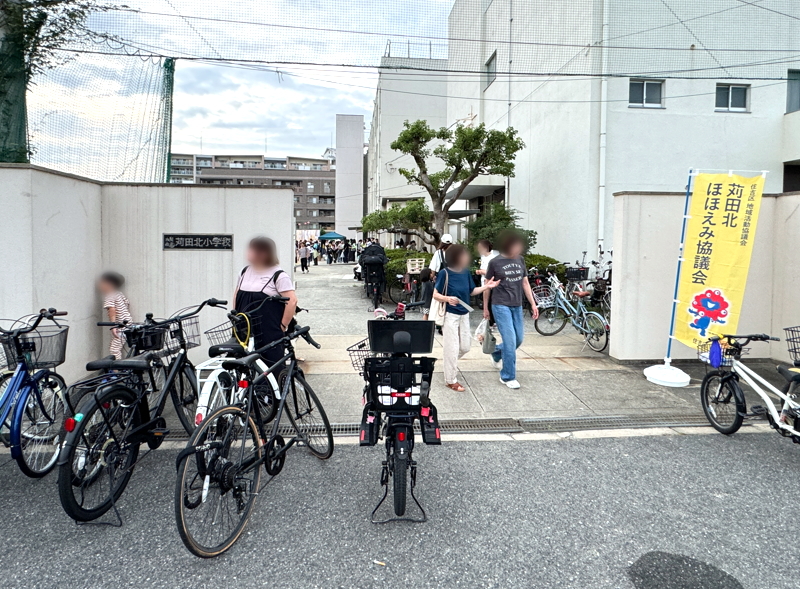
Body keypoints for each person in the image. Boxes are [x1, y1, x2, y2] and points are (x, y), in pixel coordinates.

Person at [433, 244, 499, 391]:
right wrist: (447, 298)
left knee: (465, 347)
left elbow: (472, 291)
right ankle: (450, 379)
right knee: (452, 347)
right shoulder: (445, 273)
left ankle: (448, 364)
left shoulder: (465, 272)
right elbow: (435, 294)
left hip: (464, 313)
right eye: (464, 254)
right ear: (456, 257)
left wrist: (487, 286)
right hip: (450, 315)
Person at [484, 232, 539, 389]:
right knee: (510, 340)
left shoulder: (520, 260)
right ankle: (507, 376)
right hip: (500, 305)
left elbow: (525, 283)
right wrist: (486, 308)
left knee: (519, 339)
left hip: (517, 305)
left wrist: (533, 304)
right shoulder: (495, 262)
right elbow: (488, 287)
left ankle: (496, 352)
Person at [234, 236, 298, 364]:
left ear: (264, 253)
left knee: (270, 365)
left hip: (268, 330)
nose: (248, 253)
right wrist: (236, 317)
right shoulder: (245, 271)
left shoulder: (278, 275)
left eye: (252, 250)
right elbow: (236, 295)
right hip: (244, 328)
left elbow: (292, 301)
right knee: (241, 364)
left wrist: (282, 326)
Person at [98, 271, 132, 360]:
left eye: (101, 283)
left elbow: (112, 310)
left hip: (121, 326)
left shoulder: (109, 295)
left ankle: (117, 372)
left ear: (109, 284)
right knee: (117, 347)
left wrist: (113, 326)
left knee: (114, 349)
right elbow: (127, 304)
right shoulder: (119, 293)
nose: (99, 286)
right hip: (128, 323)